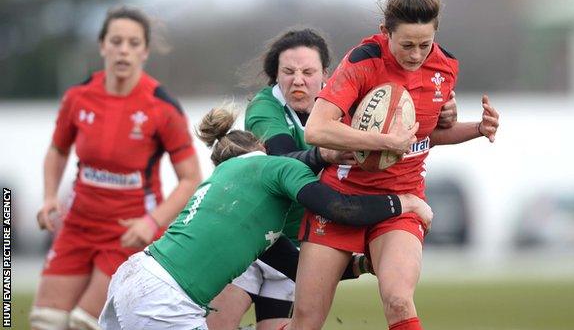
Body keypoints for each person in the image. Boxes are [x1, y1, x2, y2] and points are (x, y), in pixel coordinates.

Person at [207, 28, 459, 330]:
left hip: (295, 245)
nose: (298, 80)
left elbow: (402, 127)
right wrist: (324, 155)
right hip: (251, 243)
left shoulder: (348, 101)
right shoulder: (266, 108)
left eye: (308, 71)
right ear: (275, 75)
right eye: (288, 71)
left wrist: (441, 111)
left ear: (326, 74)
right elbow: (282, 164)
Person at [98, 106, 434, 330]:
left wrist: (361, 265)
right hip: (166, 299)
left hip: (133, 275)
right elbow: (338, 208)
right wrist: (405, 203)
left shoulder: (226, 181)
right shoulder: (273, 166)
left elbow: (294, 267)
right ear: (263, 148)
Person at [288, 0, 500, 330]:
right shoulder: (363, 61)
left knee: (399, 300)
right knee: (307, 320)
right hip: (340, 200)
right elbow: (317, 130)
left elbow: (424, 136)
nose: (416, 55)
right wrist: (384, 142)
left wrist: (478, 128)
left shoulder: (445, 68)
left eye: (425, 45)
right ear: (384, 32)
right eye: (406, 45)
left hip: (402, 202)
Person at [30, 6, 202, 330]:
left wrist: (152, 222)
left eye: (134, 43)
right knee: (46, 321)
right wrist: (50, 196)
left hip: (126, 232)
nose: (124, 50)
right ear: (102, 45)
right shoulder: (78, 97)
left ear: (145, 51)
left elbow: (191, 178)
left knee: (85, 323)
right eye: (117, 41)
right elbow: (57, 150)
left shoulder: (162, 107)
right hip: (77, 225)